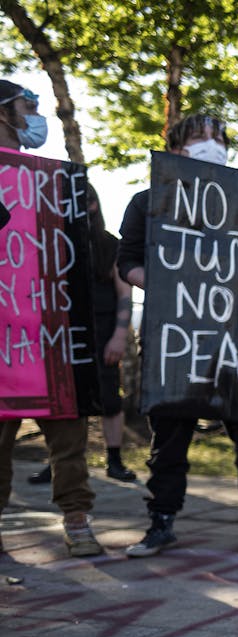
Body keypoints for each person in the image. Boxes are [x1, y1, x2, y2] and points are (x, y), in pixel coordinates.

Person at [116, 113, 238, 556]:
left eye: (218, 137)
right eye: (199, 136)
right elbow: (126, 262)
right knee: (169, 438)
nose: (212, 143)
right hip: (176, 339)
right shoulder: (147, 201)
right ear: (175, 149)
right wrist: (164, 282)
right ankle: (162, 521)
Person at [0, 79, 101, 558]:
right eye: (27, 104)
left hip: (54, 333)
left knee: (68, 434)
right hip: (2, 337)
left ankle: (77, 520)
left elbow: (95, 249)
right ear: (3, 112)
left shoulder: (60, 180)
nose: (35, 112)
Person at [28, 186, 139, 487]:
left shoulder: (109, 245)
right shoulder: (53, 243)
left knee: (108, 398)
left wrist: (119, 335)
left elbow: (124, 293)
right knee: (64, 399)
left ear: (92, 205)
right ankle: (58, 461)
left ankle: (114, 461)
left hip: (103, 334)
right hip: (62, 335)